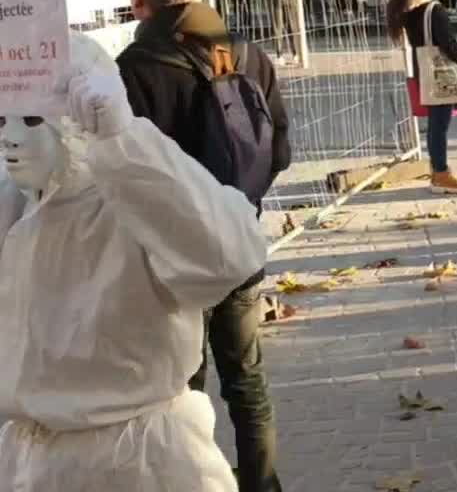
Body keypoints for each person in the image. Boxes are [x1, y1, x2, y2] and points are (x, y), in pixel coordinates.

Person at [0, 31, 268, 491]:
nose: (11, 138)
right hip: (31, 466)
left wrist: (125, 142)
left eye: (31, 118)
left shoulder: (134, 195)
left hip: (141, 466)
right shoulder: (16, 208)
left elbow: (230, 255)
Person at [115, 0, 291, 492]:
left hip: (168, 259)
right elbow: (279, 148)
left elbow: (122, 167)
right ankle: (263, 484)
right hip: (239, 242)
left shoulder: (133, 69)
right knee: (248, 382)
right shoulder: (248, 53)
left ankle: (199, 481)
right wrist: (240, 200)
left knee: (181, 391)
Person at [389, 0, 457, 193]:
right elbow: (448, 43)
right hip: (439, 71)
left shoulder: (412, 9)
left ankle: (439, 170)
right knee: (440, 124)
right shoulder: (434, 10)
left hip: (422, 69)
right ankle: (440, 173)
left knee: (437, 123)